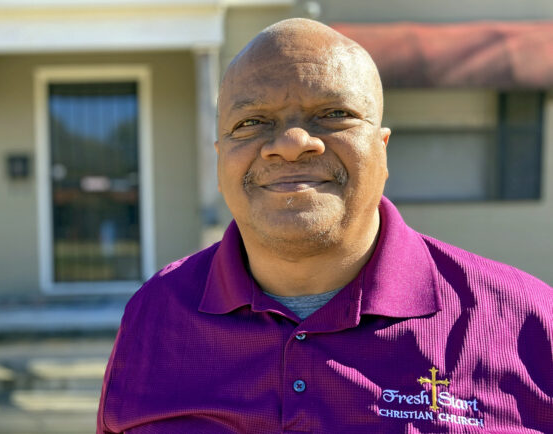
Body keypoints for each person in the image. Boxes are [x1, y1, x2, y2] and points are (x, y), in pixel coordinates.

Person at [97, 18, 553, 433]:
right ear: (220, 159)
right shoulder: (155, 313)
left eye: (333, 114)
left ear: (382, 149)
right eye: (252, 122)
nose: (292, 143)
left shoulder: (527, 323)